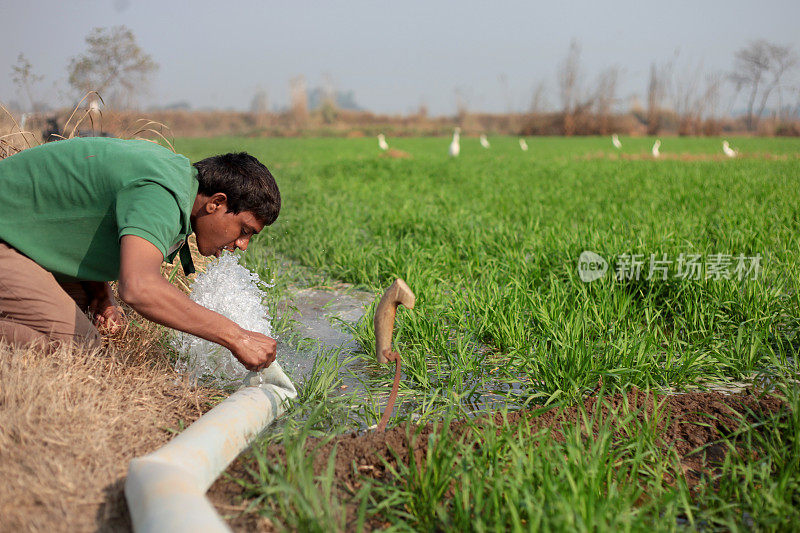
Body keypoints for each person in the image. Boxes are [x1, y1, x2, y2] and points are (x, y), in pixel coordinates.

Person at [0, 136, 279, 371]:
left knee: (84, 306)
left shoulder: (175, 179)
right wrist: (237, 337)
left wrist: (100, 293)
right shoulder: (162, 194)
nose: (242, 244)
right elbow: (138, 288)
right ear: (217, 203)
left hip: (14, 232)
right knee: (78, 347)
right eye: (245, 230)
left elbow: (85, 217)